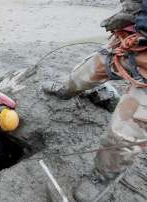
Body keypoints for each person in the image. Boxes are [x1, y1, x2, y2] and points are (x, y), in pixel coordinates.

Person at [41, 0, 147, 200]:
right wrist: (133, 10)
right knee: (84, 73)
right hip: (134, 40)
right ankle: (67, 89)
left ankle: (103, 176)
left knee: (123, 135)